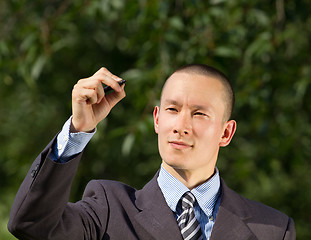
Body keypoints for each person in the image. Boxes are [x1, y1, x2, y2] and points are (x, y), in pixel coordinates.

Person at [8, 64, 295, 240]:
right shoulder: (109, 209)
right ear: (157, 119)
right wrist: (78, 130)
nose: (181, 126)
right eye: (172, 109)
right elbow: (32, 226)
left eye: (199, 114)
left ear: (226, 132)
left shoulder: (273, 230)